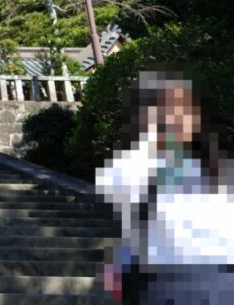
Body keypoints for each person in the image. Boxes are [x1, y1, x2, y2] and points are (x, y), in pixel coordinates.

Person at [96, 68, 234, 304]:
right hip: (168, 280)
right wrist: (153, 140)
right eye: (167, 108)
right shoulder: (137, 163)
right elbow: (114, 187)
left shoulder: (218, 167)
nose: (178, 116)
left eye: (185, 107)